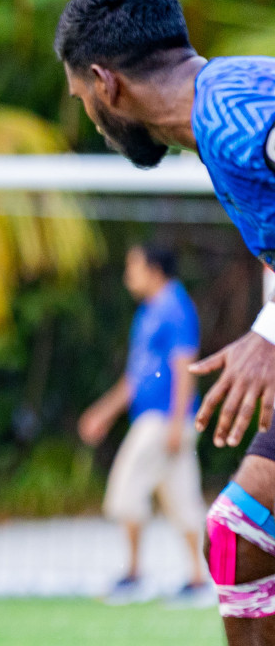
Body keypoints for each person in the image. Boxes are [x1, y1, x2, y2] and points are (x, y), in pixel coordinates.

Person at [55, 0, 275, 646]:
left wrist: (268, 336)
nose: (88, 115)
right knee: (240, 534)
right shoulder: (223, 123)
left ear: (104, 83)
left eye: (81, 100)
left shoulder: (238, 111)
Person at [78, 243, 207, 603]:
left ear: (154, 269)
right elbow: (135, 378)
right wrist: (104, 412)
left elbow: (185, 367)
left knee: (125, 492)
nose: (128, 275)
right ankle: (198, 579)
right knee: (182, 500)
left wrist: (177, 421)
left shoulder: (175, 308)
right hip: (157, 420)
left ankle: (134, 575)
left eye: (133, 267)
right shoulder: (148, 312)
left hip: (162, 422)